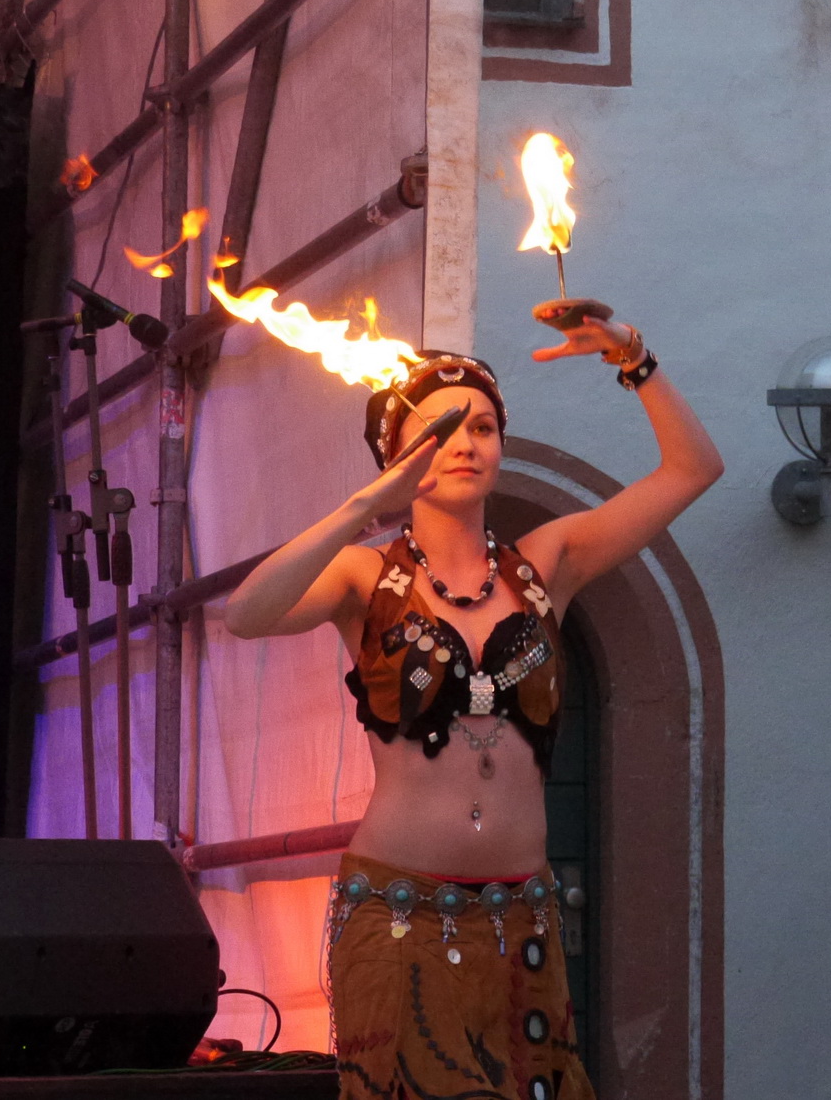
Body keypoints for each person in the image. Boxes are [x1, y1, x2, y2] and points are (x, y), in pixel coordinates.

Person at [225, 302, 723, 1100]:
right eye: (439, 430)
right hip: (397, 914)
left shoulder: (547, 562)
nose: (464, 444)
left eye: (483, 427)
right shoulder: (364, 576)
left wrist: (634, 357)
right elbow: (247, 614)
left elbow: (693, 470)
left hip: (522, 920)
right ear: (395, 455)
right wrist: (363, 506)